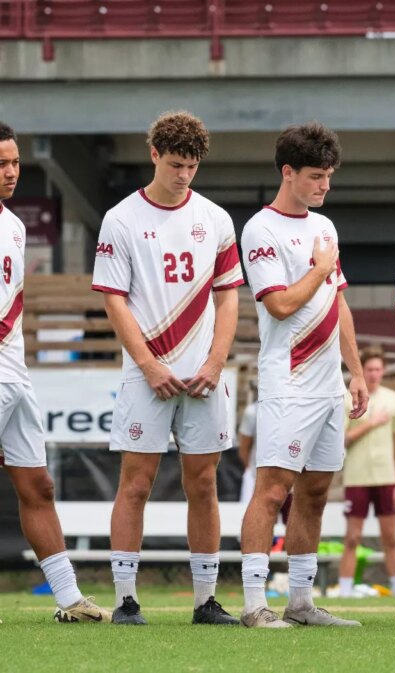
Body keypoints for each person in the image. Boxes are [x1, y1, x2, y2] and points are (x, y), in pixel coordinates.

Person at [93, 111, 244, 626]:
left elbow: (228, 299)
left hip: (205, 374)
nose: (184, 175)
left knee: (204, 483)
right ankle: (126, 599)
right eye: (176, 164)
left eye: (193, 166)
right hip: (146, 373)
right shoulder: (121, 219)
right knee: (135, 482)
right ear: (154, 154)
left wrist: (217, 361)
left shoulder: (217, 219)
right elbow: (114, 301)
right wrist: (149, 364)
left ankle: (205, 600)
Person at [238, 122, 367, 629]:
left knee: (316, 492)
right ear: (288, 172)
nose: (324, 186)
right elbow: (281, 305)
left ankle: (300, 602)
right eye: (315, 176)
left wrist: (355, 373)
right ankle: (253, 605)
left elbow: (338, 302)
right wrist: (317, 268)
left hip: (327, 385)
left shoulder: (324, 227)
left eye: (329, 176)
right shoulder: (260, 229)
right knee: (271, 490)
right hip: (286, 381)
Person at [0, 121, 109, 623]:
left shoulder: (16, 225)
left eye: (15, 162)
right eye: (1, 164)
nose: (10, 172)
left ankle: (69, 600)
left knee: (38, 485)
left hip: (15, 371)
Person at [338, 348, 395, 598]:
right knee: (352, 538)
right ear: (362, 371)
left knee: (390, 538)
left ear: (384, 371)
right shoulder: (349, 398)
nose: (374, 374)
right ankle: (344, 592)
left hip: (386, 477)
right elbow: (341, 439)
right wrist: (371, 423)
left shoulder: (393, 399)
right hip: (357, 477)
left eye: (378, 369)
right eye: (369, 369)